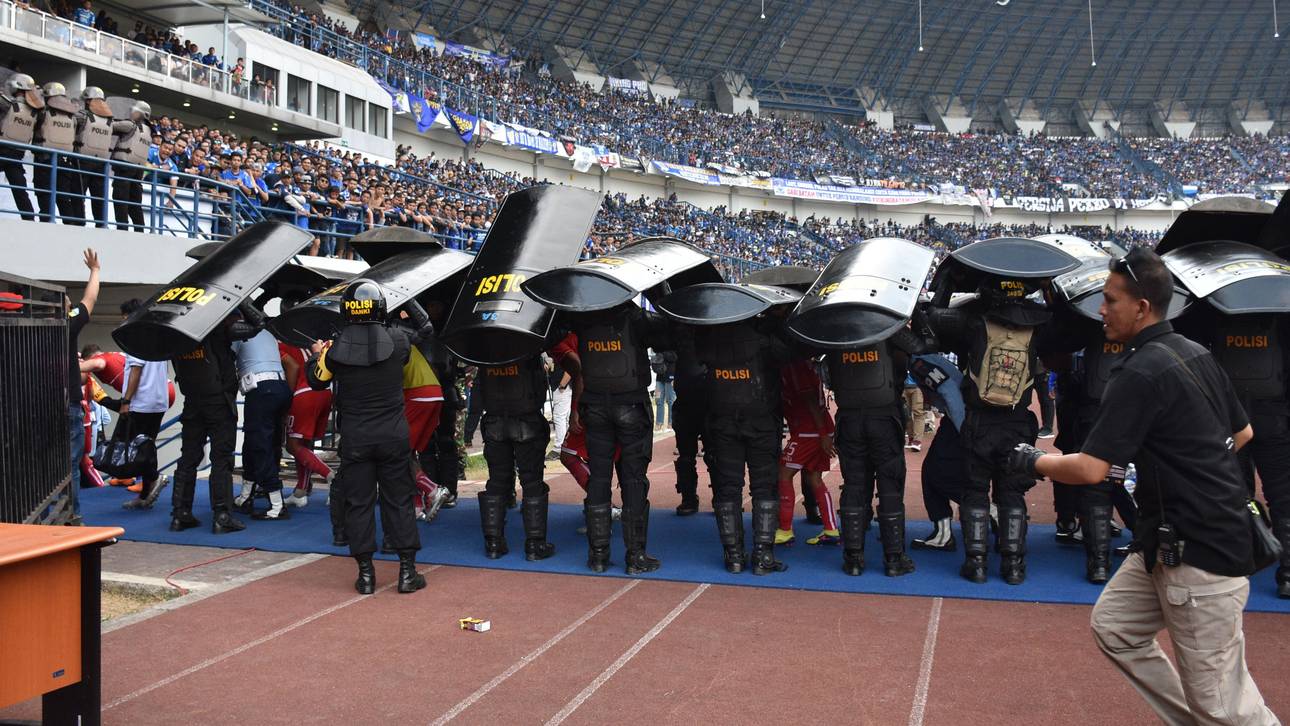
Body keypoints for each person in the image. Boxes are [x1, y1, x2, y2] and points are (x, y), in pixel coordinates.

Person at [1008, 247, 1277, 725]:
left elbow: (1091, 469)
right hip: (1169, 539)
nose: (1101, 310)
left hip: (1199, 551)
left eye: (1110, 300)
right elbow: (1241, 435)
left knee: (1225, 707)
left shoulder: (1140, 371)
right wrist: (1193, 467)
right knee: (1116, 627)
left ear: (1142, 307)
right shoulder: (1195, 353)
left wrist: (1035, 462)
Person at [920, 275, 1050, 585]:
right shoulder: (1041, 325)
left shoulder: (973, 322)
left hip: (979, 421)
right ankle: (1014, 565)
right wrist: (1048, 289)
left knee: (975, 491)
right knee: (1011, 493)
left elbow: (930, 319)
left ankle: (975, 564)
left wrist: (949, 284)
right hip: (1018, 422)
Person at [307, 280, 425, 595]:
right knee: (398, 501)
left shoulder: (336, 349)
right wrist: (407, 295)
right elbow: (424, 328)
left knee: (358, 504)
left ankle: (366, 575)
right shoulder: (398, 340)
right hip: (392, 436)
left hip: (356, 438)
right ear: (380, 307)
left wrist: (317, 354)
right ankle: (406, 572)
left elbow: (316, 381)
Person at [569, 302, 669, 574]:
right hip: (631, 405)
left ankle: (598, 556)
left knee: (599, 480)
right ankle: (635, 556)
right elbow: (668, 333)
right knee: (634, 480)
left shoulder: (582, 317)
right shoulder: (635, 318)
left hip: (596, 407)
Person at [695, 313, 794, 576]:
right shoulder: (765, 343)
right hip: (761, 425)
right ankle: (763, 555)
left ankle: (734, 556)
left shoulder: (710, 342)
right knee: (764, 488)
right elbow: (794, 350)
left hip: (724, 425)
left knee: (728, 489)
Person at [825, 328, 922, 577]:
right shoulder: (886, 326)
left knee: (854, 485)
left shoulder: (835, 330)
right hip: (884, 417)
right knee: (890, 486)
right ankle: (893, 558)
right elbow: (920, 347)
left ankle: (854, 559)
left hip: (849, 418)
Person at [475, 345, 578, 561]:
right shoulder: (527, 342)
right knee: (532, 482)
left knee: (496, 481)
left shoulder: (485, 347)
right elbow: (540, 387)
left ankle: (493, 542)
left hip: (495, 423)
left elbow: (479, 390)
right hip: (526, 421)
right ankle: (535, 544)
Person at [169, 305, 261, 534]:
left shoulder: (177, 330)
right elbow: (258, 324)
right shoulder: (214, 325)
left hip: (192, 401)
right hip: (219, 402)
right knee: (221, 458)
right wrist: (238, 299)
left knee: (188, 457)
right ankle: (221, 514)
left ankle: (180, 513)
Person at [116, 300, 172, 510]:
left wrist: (126, 400)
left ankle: (153, 480)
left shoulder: (135, 336)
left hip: (142, 402)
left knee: (137, 447)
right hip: (158, 401)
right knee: (147, 445)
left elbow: (136, 371)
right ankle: (147, 491)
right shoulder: (156, 335)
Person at [231, 326, 292, 519]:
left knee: (258, 444)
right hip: (280, 386)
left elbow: (225, 360)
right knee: (258, 442)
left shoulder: (238, 333)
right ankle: (246, 494)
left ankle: (276, 504)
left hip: (260, 389)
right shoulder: (267, 332)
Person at [776, 357, 837, 546]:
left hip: (808, 431)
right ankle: (831, 529)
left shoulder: (794, 365)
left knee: (783, 475)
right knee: (814, 479)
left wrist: (822, 434)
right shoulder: (806, 365)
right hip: (818, 429)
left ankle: (785, 529)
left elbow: (809, 398)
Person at [279, 339, 335, 509]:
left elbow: (292, 367)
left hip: (304, 391)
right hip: (325, 390)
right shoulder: (316, 340)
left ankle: (331, 476)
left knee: (293, 445)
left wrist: (288, 400)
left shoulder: (281, 343)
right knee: (305, 443)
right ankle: (301, 491)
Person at [65, 248, 99, 520]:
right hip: (69, 404)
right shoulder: (67, 323)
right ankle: (72, 516)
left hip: (32, 405)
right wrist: (95, 271)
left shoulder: (34, 327)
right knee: (71, 465)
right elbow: (89, 299)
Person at [670, 324, 707, 516]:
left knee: (717, 455)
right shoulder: (679, 331)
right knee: (686, 457)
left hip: (709, 402)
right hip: (686, 403)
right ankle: (688, 497)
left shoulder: (714, 329)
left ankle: (721, 497)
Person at [32, 82, 78, 224]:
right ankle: (70, 225)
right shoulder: (73, 118)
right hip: (65, 162)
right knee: (63, 197)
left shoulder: (43, 113)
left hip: (44, 161)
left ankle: (46, 223)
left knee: (44, 195)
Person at [72, 86, 113, 227]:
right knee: (99, 197)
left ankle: (79, 222)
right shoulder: (110, 121)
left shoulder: (83, 116)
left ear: (88, 101)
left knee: (78, 194)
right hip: (101, 164)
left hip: (82, 161)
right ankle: (101, 224)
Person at [0, 73, 38, 221]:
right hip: (17, 154)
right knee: (20, 190)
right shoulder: (35, 110)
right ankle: (29, 218)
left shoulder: (6, 103)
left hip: (2, 150)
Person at [110, 100, 151, 231]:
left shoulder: (129, 125)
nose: (132, 112)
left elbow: (109, 126)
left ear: (141, 114)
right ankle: (140, 229)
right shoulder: (149, 130)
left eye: (134, 111)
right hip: (138, 170)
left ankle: (122, 228)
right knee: (135, 203)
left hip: (125, 168)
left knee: (120, 199)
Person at [650, 349, 676, 431]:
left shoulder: (673, 344)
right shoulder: (659, 345)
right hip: (659, 376)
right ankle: (659, 423)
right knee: (658, 400)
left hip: (670, 376)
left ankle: (671, 423)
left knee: (670, 400)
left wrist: (663, 353)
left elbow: (674, 357)